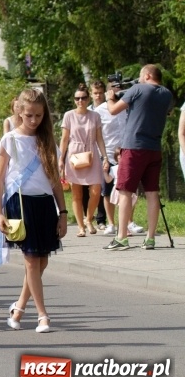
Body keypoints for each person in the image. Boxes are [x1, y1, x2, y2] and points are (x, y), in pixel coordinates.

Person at [0, 89, 67, 333]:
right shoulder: (9, 140)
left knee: (42, 260)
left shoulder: (47, 141)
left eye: (38, 115)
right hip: (20, 203)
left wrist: (64, 213)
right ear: (19, 112)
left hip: (45, 203)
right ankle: (42, 315)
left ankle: (19, 307)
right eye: (29, 115)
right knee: (31, 260)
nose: (34, 120)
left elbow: (54, 179)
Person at [104, 64, 173, 250]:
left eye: (141, 76)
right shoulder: (167, 94)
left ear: (148, 75)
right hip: (154, 148)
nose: (139, 79)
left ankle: (121, 237)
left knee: (125, 191)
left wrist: (110, 98)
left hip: (133, 147)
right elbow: (169, 112)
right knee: (152, 192)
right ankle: (150, 238)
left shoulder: (137, 89)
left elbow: (112, 110)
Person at [59, 84, 108, 237]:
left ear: (88, 99)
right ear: (74, 100)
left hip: (91, 154)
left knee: (96, 190)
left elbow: (99, 138)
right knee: (76, 193)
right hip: (74, 154)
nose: (80, 101)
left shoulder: (95, 116)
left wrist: (105, 156)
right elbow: (64, 139)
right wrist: (61, 158)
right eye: (77, 98)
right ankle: (81, 226)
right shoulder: (69, 115)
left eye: (83, 98)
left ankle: (89, 218)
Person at [91, 80, 120, 233]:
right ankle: (111, 223)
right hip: (107, 154)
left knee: (128, 190)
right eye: (115, 91)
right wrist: (103, 157)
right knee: (107, 190)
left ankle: (128, 222)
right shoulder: (100, 111)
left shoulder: (125, 106)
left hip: (124, 153)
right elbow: (98, 135)